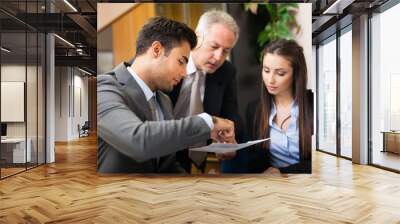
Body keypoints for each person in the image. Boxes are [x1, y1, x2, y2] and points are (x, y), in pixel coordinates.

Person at [97, 17, 236, 173]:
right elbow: (137, 141)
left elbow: (167, 165)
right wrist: (207, 122)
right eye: (181, 61)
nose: (184, 73)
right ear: (157, 50)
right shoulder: (104, 89)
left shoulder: (164, 100)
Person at [168, 10, 244, 173]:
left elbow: (230, 114)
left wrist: (228, 142)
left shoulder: (226, 71)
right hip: (160, 151)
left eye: (225, 51)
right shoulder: (170, 61)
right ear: (197, 37)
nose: (218, 57)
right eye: (214, 46)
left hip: (194, 158)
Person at [245, 39, 313, 174]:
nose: (270, 80)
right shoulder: (254, 109)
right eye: (266, 70)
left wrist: (281, 172)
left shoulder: (314, 104)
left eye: (280, 73)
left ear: (296, 74)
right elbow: (254, 160)